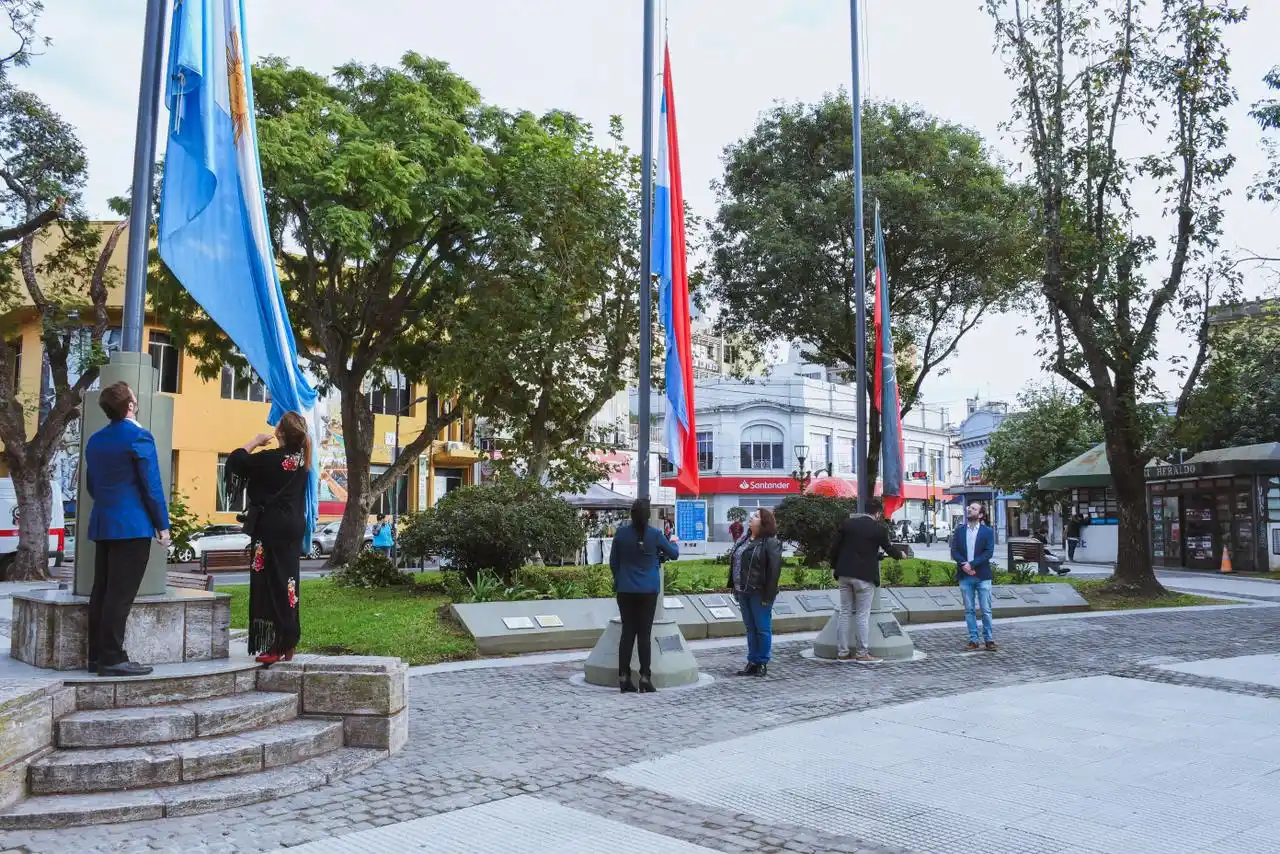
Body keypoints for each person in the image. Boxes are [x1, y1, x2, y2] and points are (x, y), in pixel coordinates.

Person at [84, 382, 170, 677]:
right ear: (130, 405)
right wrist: (162, 525)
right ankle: (112, 658)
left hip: (104, 522)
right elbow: (152, 485)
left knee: (102, 591)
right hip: (132, 526)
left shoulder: (96, 440)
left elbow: (92, 485)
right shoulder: (139, 436)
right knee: (119, 596)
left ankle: (96, 657)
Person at [225, 412, 312, 665]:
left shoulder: (271, 459)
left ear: (279, 432)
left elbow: (237, 461)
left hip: (272, 527)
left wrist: (255, 441)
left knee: (271, 582)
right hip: (293, 526)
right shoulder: (301, 460)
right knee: (288, 582)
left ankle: (279, 642)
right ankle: (288, 640)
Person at [609, 499, 678, 693]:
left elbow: (613, 562)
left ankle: (624, 676)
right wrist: (673, 541)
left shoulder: (621, 534)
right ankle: (645, 677)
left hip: (625, 590)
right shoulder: (655, 535)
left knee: (627, 633)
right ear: (648, 516)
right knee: (644, 634)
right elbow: (673, 554)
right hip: (648, 591)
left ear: (631, 514)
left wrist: (621, 578)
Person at [829, 497, 905, 663]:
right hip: (864, 577)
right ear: (877, 513)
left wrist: (834, 567)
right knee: (862, 615)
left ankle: (842, 652)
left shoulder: (847, 524)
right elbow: (889, 548)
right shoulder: (879, 529)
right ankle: (862, 653)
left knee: (845, 612)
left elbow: (835, 547)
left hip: (844, 574)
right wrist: (900, 555)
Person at [727, 508, 783, 677]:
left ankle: (762, 662)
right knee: (750, 628)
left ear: (764, 522)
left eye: (756, 516)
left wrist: (768, 596)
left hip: (759, 592)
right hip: (742, 590)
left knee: (762, 629)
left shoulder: (770, 542)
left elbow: (774, 571)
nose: (751, 518)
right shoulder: (744, 540)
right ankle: (752, 661)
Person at [951, 501, 997, 651]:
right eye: (969, 508)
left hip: (982, 575)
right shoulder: (960, 530)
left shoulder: (987, 532)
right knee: (969, 610)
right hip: (965, 576)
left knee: (986, 610)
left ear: (981, 514)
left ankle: (989, 639)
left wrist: (972, 565)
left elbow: (988, 552)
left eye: (974, 509)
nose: (969, 510)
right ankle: (973, 639)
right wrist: (964, 564)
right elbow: (954, 551)